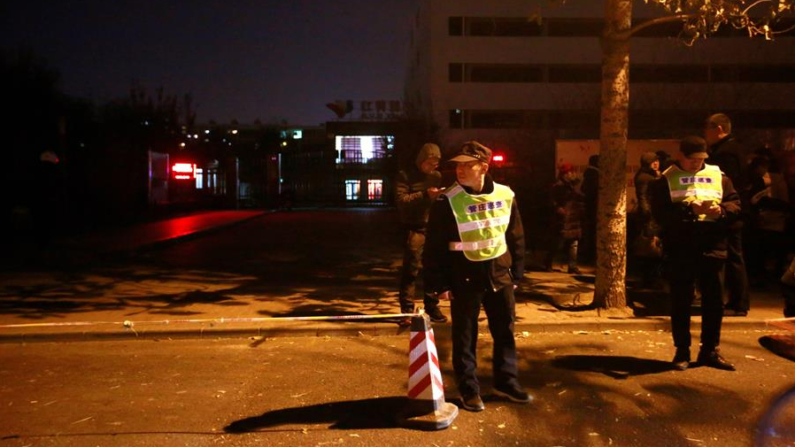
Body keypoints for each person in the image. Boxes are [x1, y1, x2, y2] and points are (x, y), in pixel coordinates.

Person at [423, 141, 530, 412]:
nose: (459, 170)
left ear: (483, 167)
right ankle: (469, 390)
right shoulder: (447, 200)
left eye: (466, 165)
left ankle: (507, 382)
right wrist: (439, 284)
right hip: (464, 276)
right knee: (465, 337)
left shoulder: (506, 195)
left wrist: (516, 272)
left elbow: (515, 235)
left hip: (499, 274)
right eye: (457, 165)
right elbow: (434, 246)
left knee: (505, 332)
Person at [650, 136, 741, 372]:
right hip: (681, 248)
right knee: (681, 301)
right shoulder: (666, 180)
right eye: (692, 159)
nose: (696, 164)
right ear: (681, 156)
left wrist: (720, 210)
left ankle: (710, 350)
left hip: (713, 246)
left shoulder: (719, 176)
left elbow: (735, 205)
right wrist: (688, 209)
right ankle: (682, 351)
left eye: (701, 159)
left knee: (714, 303)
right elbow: (660, 214)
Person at [396, 143, 447, 323]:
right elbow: (402, 200)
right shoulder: (406, 175)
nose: (434, 166)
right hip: (414, 227)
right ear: (421, 160)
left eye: (436, 163)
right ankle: (407, 310)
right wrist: (424, 195)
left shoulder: (436, 176)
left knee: (433, 268)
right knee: (411, 269)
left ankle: (432, 306)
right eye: (430, 162)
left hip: (432, 227)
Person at [704, 113, 750, 316]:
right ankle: (737, 301)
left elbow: (724, 184)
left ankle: (738, 303)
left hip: (729, 211)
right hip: (734, 209)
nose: (705, 134)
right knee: (733, 256)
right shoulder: (734, 148)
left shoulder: (726, 153)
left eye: (707, 129)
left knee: (732, 256)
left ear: (719, 129)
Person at [545, 162, 585, 274]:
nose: (572, 174)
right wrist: (558, 208)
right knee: (557, 242)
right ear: (564, 174)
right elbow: (552, 201)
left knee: (574, 243)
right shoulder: (558, 186)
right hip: (562, 218)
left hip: (573, 218)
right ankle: (548, 262)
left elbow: (580, 197)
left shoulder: (574, 185)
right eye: (569, 172)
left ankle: (572, 266)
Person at [632, 152, 662, 286]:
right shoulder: (645, 177)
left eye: (657, 161)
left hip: (651, 215)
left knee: (651, 247)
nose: (656, 163)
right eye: (652, 161)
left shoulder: (647, 175)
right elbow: (643, 196)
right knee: (650, 247)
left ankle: (650, 277)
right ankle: (650, 278)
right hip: (650, 216)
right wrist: (648, 215)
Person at [581, 155, 599, 264]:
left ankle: (589, 255)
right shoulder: (594, 175)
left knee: (590, 232)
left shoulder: (589, 174)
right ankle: (590, 255)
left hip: (590, 206)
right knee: (592, 232)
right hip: (593, 207)